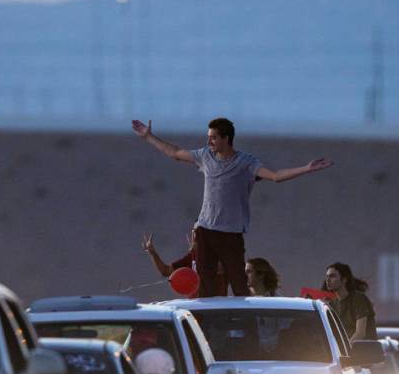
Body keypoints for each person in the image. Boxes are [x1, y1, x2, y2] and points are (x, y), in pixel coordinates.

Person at [131, 117, 333, 296]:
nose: (209, 141)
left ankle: (244, 329)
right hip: (205, 231)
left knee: (239, 285)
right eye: (208, 137)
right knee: (206, 284)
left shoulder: (246, 163)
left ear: (226, 138)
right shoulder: (205, 156)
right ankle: (208, 328)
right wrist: (148, 136)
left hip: (230, 234)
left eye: (213, 137)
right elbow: (175, 153)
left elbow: (276, 176)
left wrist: (306, 168)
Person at [141, 229, 228, 296]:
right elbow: (166, 271)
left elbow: (220, 270)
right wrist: (153, 253)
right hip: (196, 306)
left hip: (216, 305)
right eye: (194, 232)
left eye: (198, 232)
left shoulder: (219, 254)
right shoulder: (192, 256)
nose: (195, 236)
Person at [322, 262, 377, 341]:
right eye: (327, 276)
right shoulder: (331, 305)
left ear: (344, 279)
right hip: (344, 351)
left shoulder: (359, 299)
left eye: (332, 276)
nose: (328, 280)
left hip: (365, 351)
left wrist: (345, 350)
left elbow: (360, 333)